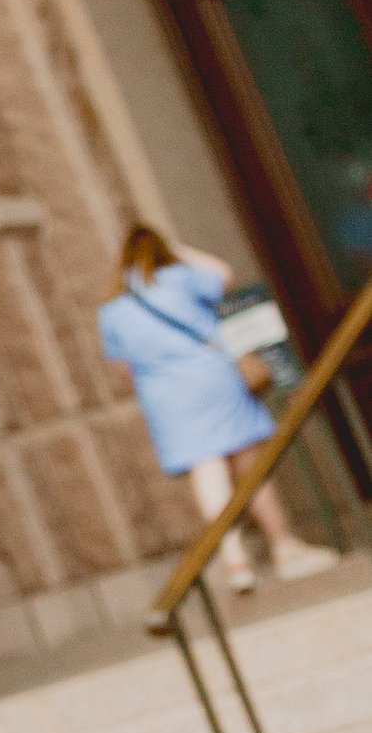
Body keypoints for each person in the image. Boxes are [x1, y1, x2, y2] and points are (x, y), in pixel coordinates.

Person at [97, 223, 335, 593]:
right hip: (212, 379)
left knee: (207, 471)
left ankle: (234, 558)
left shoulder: (113, 311)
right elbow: (224, 274)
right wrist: (181, 248)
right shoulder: (179, 279)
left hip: (164, 397)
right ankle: (284, 547)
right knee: (247, 463)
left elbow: (122, 368)